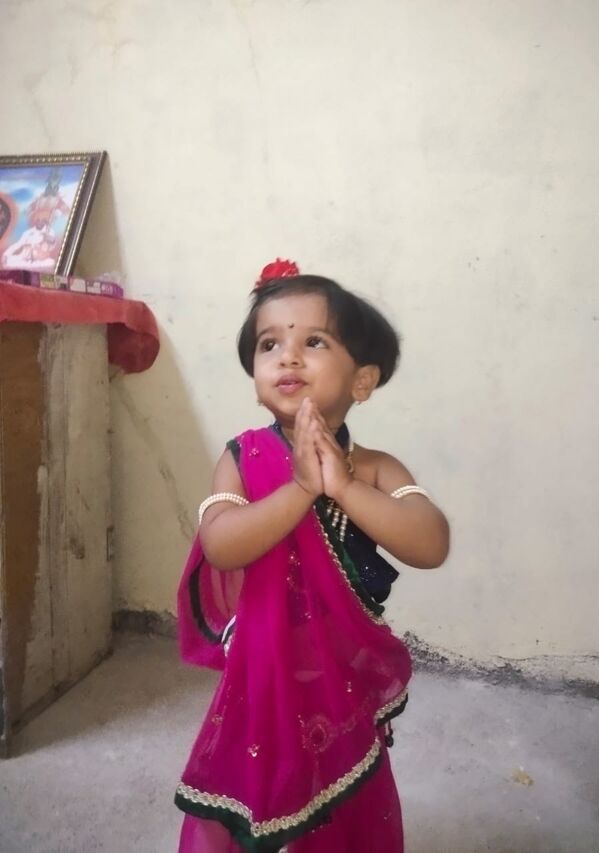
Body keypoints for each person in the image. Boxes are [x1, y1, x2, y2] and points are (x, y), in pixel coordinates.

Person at [175, 259, 449, 852]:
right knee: (245, 788)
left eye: (314, 342)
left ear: (362, 381)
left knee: (341, 794)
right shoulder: (242, 458)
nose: (288, 358)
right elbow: (221, 545)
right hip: (262, 671)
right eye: (269, 344)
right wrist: (300, 488)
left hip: (341, 676)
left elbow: (431, 543)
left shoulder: (374, 468)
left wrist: (343, 486)